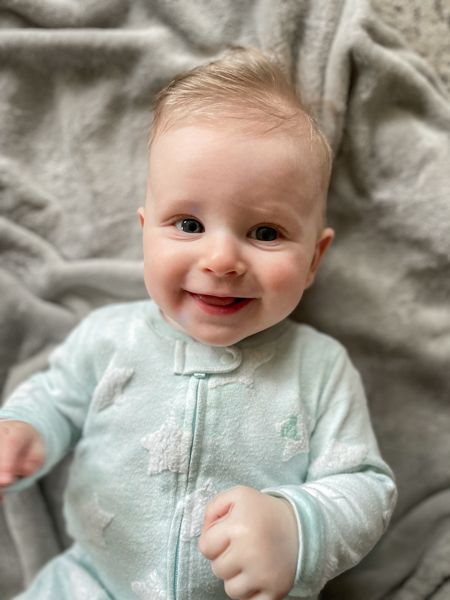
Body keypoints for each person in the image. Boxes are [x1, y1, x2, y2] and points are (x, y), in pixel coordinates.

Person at [0, 47, 396, 600]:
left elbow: (365, 487)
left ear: (313, 260)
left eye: (265, 233)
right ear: (145, 233)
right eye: (188, 224)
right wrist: (24, 431)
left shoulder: (320, 369)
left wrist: (296, 526)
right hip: (89, 582)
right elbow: (56, 397)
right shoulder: (109, 337)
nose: (221, 260)